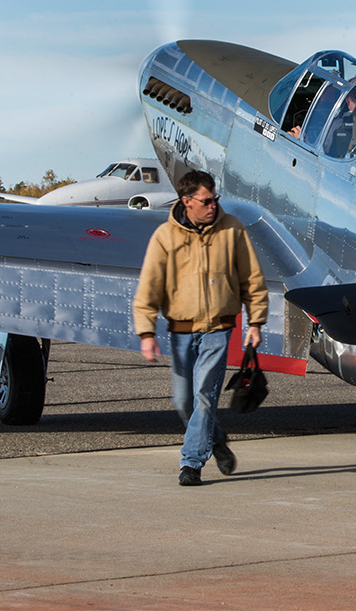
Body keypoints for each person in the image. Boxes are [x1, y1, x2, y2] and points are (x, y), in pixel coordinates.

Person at [134, 169, 268, 486]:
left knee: (205, 397)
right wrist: (146, 333)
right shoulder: (165, 237)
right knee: (184, 402)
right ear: (187, 201)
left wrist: (256, 321)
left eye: (215, 199)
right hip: (180, 331)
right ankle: (216, 440)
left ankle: (191, 464)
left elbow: (253, 279)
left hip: (218, 328)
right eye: (206, 201)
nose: (213, 206)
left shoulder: (232, 230)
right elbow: (148, 288)